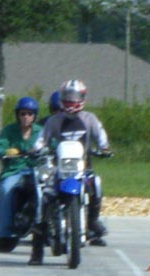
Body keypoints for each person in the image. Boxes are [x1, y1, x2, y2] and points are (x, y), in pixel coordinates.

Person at [36, 78, 111, 262]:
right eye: (67, 97)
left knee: (96, 185)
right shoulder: (54, 120)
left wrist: (104, 148)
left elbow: (101, 135)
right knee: (44, 197)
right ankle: (37, 250)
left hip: (83, 168)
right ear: (61, 98)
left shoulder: (89, 119)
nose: (71, 101)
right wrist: (38, 149)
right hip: (59, 169)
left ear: (82, 98)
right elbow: (41, 138)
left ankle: (92, 221)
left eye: (75, 97)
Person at [0, 96, 42, 252]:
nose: (26, 117)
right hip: (14, 170)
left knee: (47, 191)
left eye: (30, 114)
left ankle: (49, 229)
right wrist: (7, 151)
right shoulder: (9, 130)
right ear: (17, 115)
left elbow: (52, 144)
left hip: (35, 170)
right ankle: (5, 236)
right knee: (6, 190)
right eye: (22, 113)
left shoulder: (41, 131)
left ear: (34, 116)